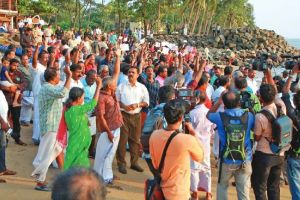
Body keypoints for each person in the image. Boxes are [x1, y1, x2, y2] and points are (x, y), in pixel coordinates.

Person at [149, 99, 204, 199]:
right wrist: (194, 134)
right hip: (179, 192)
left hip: (162, 188)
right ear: (181, 118)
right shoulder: (186, 139)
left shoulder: (154, 135)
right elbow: (200, 157)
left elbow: (155, 164)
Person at [207, 91, 254, 200]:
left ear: (224, 103)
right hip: (244, 159)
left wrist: (218, 102)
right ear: (239, 102)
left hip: (226, 159)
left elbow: (208, 115)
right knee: (244, 192)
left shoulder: (219, 116)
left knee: (222, 186)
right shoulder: (249, 116)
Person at [31, 67, 72, 191]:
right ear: (54, 78)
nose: (60, 77)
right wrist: (69, 76)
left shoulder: (50, 87)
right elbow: (63, 93)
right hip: (51, 126)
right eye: (58, 75)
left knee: (58, 150)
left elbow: (62, 94)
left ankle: (64, 177)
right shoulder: (48, 88)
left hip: (54, 126)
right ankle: (40, 182)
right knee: (46, 155)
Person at [252, 84, 286, 200]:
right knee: (274, 187)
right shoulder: (281, 106)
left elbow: (257, 137)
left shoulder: (260, 116)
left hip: (264, 155)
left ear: (260, 98)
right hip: (280, 153)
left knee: (260, 187)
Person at [94, 49, 121, 184]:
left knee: (110, 154)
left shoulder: (111, 92)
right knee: (102, 154)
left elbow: (116, 73)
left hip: (116, 127)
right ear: (110, 86)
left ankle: (107, 176)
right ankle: (100, 177)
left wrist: (117, 57)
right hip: (107, 130)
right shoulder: (102, 98)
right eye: (115, 84)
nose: (117, 84)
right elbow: (101, 117)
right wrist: (109, 133)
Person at [116, 66, 149, 174]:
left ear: (137, 75)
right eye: (129, 72)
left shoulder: (142, 87)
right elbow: (116, 101)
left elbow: (146, 102)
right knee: (122, 140)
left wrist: (138, 104)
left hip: (136, 116)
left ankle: (134, 163)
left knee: (135, 140)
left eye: (133, 72)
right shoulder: (121, 86)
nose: (130, 74)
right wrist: (124, 106)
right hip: (124, 115)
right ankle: (121, 163)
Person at [64, 77, 101, 170]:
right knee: (74, 164)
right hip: (78, 142)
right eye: (83, 98)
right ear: (78, 98)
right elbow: (93, 103)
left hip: (79, 142)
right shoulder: (77, 109)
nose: (83, 99)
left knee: (75, 163)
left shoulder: (70, 109)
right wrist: (98, 86)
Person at [142, 85, 176, 175]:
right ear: (173, 97)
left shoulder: (152, 111)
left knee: (158, 178)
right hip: (161, 154)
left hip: (148, 153)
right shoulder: (171, 112)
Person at [189, 91, 215, 200]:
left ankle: (194, 193)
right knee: (206, 167)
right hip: (206, 143)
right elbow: (213, 129)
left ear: (197, 99)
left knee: (194, 168)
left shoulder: (192, 113)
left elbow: (189, 129)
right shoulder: (209, 112)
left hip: (195, 142)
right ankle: (208, 193)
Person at [281, 66, 300, 200]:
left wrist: (292, 74)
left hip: (295, 155)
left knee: (296, 187)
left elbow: (285, 92)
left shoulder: (293, 115)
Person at [2, 58, 28, 145]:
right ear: (9, 64)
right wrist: (8, 88)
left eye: (17, 65)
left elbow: (24, 83)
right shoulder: (3, 72)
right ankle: (6, 139)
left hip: (16, 102)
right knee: (5, 120)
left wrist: (16, 88)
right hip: (4, 101)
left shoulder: (19, 73)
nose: (15, 67)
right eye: (14, 65)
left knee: (16, 121)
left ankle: (17, 138)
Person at [31, 44, 49, 144]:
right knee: (37, 115)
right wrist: (37, 49)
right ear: (39, 58)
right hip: (38, 93)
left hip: (46, 94)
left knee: (43, 116)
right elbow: (34, 60)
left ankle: (41, 137)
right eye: (44, 57)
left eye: (47, 57)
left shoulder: (47, 68)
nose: (46, 59)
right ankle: (36, 138)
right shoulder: (37, 66)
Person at [0, 85, 17, 183]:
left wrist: (6, 119)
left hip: (3, 123)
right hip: (1, 123)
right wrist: (3, 122)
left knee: (2, 146)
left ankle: (2, 169)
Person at [19, 54, 34, 126]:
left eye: (26, 59)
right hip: (24, 89)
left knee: (29, 106)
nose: (25, 61)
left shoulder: (30, 67)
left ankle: (26, 120)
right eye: (24, 59)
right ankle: (22, 120)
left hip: (31, 88)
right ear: (21, 60)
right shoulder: (19, 68)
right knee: (24, 105)